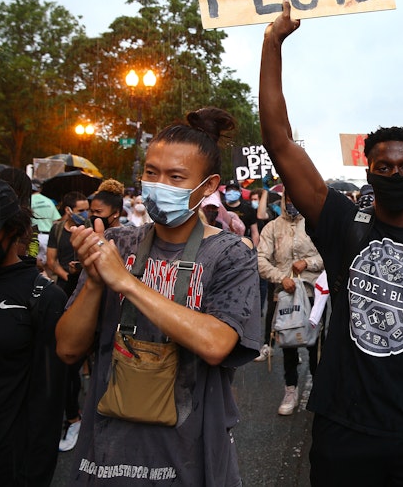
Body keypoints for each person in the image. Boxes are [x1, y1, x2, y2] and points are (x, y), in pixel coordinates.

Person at [259, 1, 403, 487]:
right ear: (367, 173)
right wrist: (272, 45)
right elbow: (280, 143)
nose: (395, 173)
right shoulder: (342, 224)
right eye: (384, 167)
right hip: (343, 428)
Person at [55, 107, 262, 486]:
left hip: (190, 451)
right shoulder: (117, 243)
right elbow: (68, 349)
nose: (158, 184)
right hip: (108, 450)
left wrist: (128, 282)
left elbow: (217, 343)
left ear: (208, 185)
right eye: (151, 173)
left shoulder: (232, 254)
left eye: (176, 177)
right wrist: (97, 281)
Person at [0, 179, 67, 486]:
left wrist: (33, 476)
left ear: (13, 230)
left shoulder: (42, 298)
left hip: (2, 467)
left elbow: (47, 406)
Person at [257, 188, 325, 414]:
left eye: (298, 198)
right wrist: (281, 278)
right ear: (284, 200)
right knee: (288, 343)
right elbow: (260, 260)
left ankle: (319, 391)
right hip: (284, 295)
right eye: (290, 198)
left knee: (316, 345)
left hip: (312, 293)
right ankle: (290, 390)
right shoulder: (273, 227)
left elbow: (328, 254)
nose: (293, 202)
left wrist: (308, 263)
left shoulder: (315, 223)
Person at [47, 190, 90, 452]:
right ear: (68, 210)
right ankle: (70, 416)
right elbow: (51, 261)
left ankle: (76, 415)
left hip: (87, 294)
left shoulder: (90, 228)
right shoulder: (57, 230)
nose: (85, 213)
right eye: (81, 209)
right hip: (64, 293)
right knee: (64, 358)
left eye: (88, 209)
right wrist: (67, 276)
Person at [31, 178, 61, 269]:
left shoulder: (28, 200)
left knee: (34, 266)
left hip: (33, 237)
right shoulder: (49, 201)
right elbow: (56, 221)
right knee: (48, 266)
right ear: (40, 189)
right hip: (48, 237)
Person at [223, 179, 260, 247]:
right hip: (223, 245)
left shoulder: (249, 209)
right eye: (229, 189)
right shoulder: (220, 208)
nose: (232, 191)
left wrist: (254, 250)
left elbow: (254, 232)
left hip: (243, 245)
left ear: (240, 191)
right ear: (225, 192)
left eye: (235, 189)